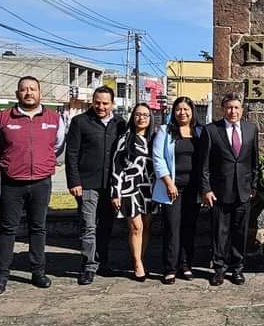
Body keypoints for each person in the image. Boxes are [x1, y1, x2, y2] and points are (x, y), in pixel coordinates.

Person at [0, 76, 66, 294]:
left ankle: (38, 271)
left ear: (40, 93)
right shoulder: (0, 119)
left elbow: (58, 147)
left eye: (33, 89)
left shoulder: (54, 118)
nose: (28, 93)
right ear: (17, 94)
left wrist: (45, 163)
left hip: (41, 182)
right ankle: (1, 275)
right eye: (24, 89)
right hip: (11, 183)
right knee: (7, 228)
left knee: (38, 228)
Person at [66, 86, 126, 285]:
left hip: (111, 185)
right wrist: (74, 181)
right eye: (97, 102)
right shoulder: (80, 122)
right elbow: (71, 154)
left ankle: (103, 262)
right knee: (88, 225)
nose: (101, 107)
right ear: (92, 101)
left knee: (106, 226)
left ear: (112, 104)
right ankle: (88, 266)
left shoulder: (120, 123)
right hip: (87, 183)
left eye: (105, 103)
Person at [200, 93, 260, 286]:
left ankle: (237, 269)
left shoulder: (251, 130)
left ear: (241, 109)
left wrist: (254, 186)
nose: (233, 111)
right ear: (222, 109)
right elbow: (204, 164)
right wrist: (206, 189)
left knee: (240, 232)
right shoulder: (211, 130)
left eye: (236, 107)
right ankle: (219, 269)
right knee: (220, 232)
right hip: (219, 191)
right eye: (229, 107)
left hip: (243, 191)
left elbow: (254, 161)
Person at [153, 97, 204, 284]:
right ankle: (170, 268)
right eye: (178, 109)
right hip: (172, 189)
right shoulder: (165, 131)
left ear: (192, 111)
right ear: (173, 112)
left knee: (189, 228)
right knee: (172, 229)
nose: (182, 113)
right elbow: (158, 158)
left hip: (193, 189)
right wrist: (169, 183)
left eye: (186, 109)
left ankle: (186, 264)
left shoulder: (199, 132)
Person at [110, 103, 157, 282]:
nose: (141, 118)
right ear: (133, 117)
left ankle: (141, 259)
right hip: (130, 188)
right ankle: (137, 263)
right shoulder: (125, 138)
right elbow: (116, 166)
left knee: (147, 226)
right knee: (136, 227)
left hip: (149, 188)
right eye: (138, 114)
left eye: (145, 115)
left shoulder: (154, 138)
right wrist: (115, 192)